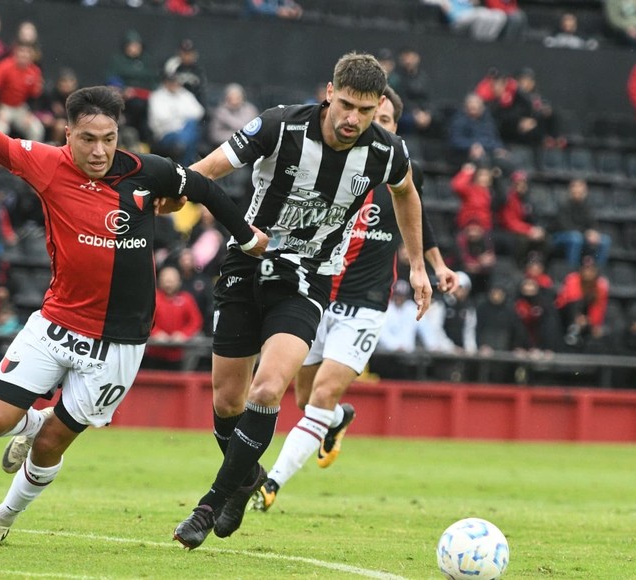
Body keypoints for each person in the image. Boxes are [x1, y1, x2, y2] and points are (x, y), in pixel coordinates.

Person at [0, 29, 268, 546]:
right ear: (67, 133)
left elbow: (205, 188)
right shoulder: (44, 164)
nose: (100, 150)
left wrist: (247, 237)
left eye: (109, 138)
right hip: (58, 321)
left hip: (120, 342)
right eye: (88, 139)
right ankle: (33, 423)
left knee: (52, 445)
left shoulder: (147, 172)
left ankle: (1, 520)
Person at [172, 52, 439, 550]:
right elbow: (213, 165)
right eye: (346, 105)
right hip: (245, 267)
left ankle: (209, 505)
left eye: (365, 110)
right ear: (329, 93)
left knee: (268, 389)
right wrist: (178, 188)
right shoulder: (280, 125)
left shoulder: (386, 151)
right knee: (227, 402)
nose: (352, 119)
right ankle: (245, 478)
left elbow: (407, 194)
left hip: (307, 279)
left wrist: (419, 265)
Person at [249, 86, 454, 512]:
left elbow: (419, 220)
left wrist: (434, 267)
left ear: (395, 129)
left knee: (321, 395)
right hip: (317, 294)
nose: (372, 127)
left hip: (365, 304)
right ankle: (339, 418)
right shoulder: (332, 167)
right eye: (369, 119)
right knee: (306, 399)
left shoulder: (396, 173)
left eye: (383, 121)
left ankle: (271, 483)